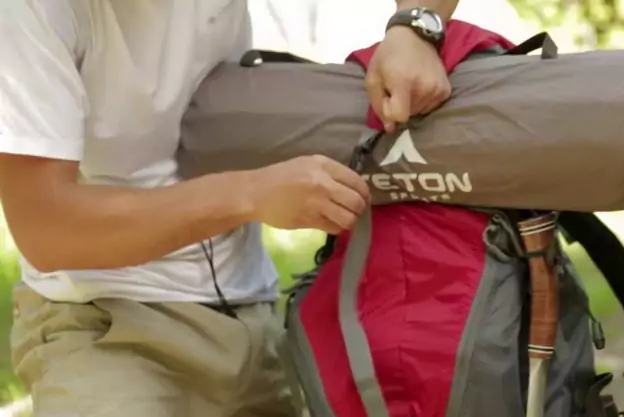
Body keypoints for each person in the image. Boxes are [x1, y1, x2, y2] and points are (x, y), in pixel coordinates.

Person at [0, 0, 460, 416]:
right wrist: (252, 194)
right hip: (102, 321)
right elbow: (48, 229)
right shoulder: (30, 13)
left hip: (247, 312)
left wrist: (415, 26)